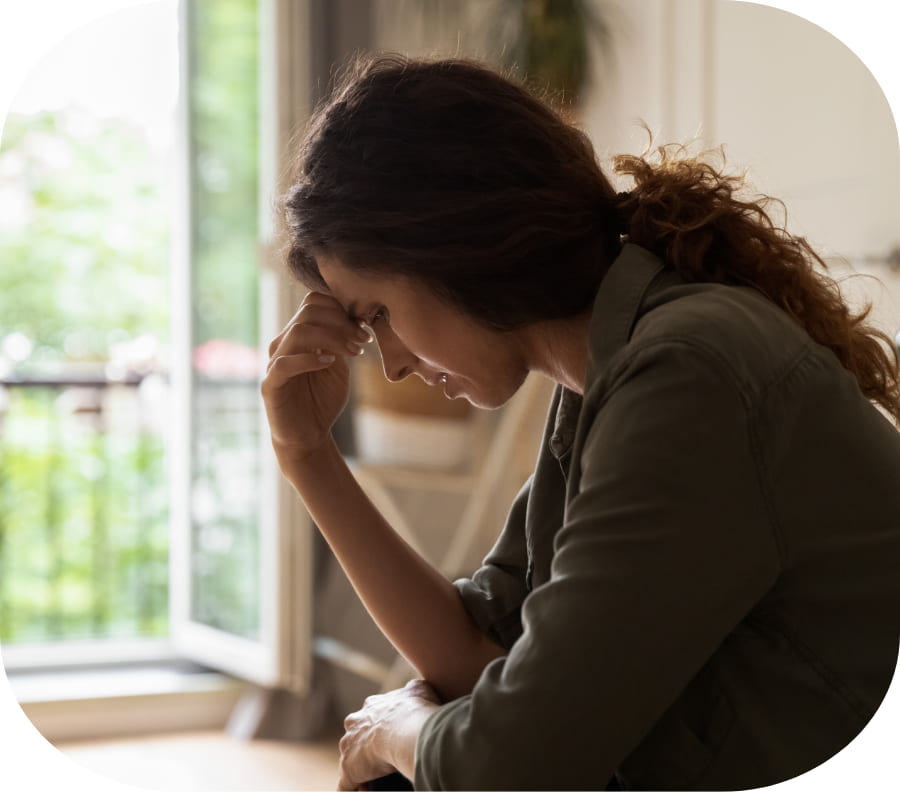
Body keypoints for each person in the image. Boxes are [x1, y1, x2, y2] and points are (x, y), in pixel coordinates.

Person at [261, 53, 900, 791]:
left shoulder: (686, 372)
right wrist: (306, 454)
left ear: (456, 245)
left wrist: (396, 731)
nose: (394, 364)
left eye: (379, 315)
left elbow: (512, 765)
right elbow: (477, 652)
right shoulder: (599, 380)